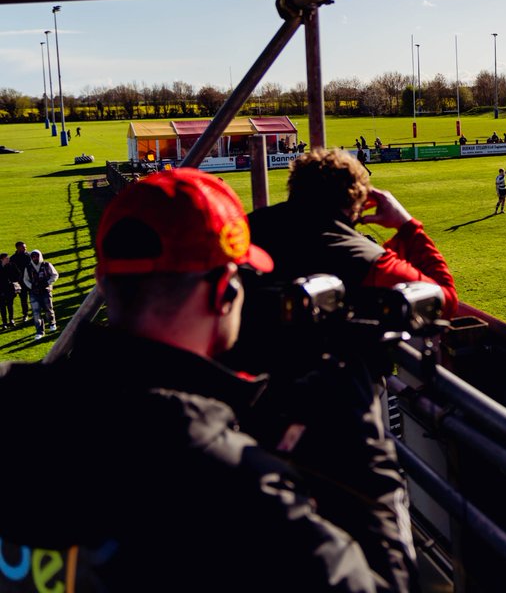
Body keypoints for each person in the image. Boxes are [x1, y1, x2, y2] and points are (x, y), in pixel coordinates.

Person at [0, 169, 415, 592]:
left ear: (104, 282)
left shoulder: (13, 401)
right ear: (225, 294)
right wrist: (364, 455)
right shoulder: (243, 492)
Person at [248, 149, 457, 318]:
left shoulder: (246, 227)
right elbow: (445, 301)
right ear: (359, 202)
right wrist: (407, 226)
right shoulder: (366, 259)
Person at [23, 249, 58, 338]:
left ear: (40, 256)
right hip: (34, 293)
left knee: (48, 309)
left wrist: (49, 282)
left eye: (37, 256)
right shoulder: (28, 267)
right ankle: (39, 331)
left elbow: (55, 274)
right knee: (36, 313)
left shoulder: (46, 265)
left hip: (46, 291)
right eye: (33, 256)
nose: (35, 258)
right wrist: (31, 286)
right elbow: (25, 279)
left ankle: (52, 323)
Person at [10, 241, 31, 324]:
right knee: (23, 299)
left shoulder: (30, 256)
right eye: (23, 247)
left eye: (25, 247)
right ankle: (25, 314)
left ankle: (36, 313)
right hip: (21, 282)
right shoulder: (13, 259)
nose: (25, 248)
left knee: (35, 298)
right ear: (18, 248)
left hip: (31, 281)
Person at [0, 253, 17, 329]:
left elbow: (18, 274)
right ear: (2, 259)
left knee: (10, 305)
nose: (8, 259)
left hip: (9, 289)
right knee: (2, 307)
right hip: (1, 290)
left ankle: (11, 319)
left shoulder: (11, 265)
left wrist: (13, 279)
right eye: (6, 258)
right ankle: (4, 322)